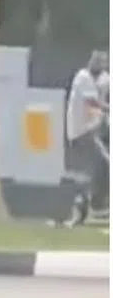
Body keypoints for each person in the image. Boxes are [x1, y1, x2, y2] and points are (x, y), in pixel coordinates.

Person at [66, 50, 110, 216]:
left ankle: (89, 203)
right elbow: (92, 103)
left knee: (94, 168)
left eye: (104, 62)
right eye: (98, 61)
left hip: (91, 130)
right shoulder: (83, 77)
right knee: (103, 164)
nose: (101, 65)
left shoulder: (103, 78)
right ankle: (96, 204)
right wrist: (107, 108)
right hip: (81, 132)